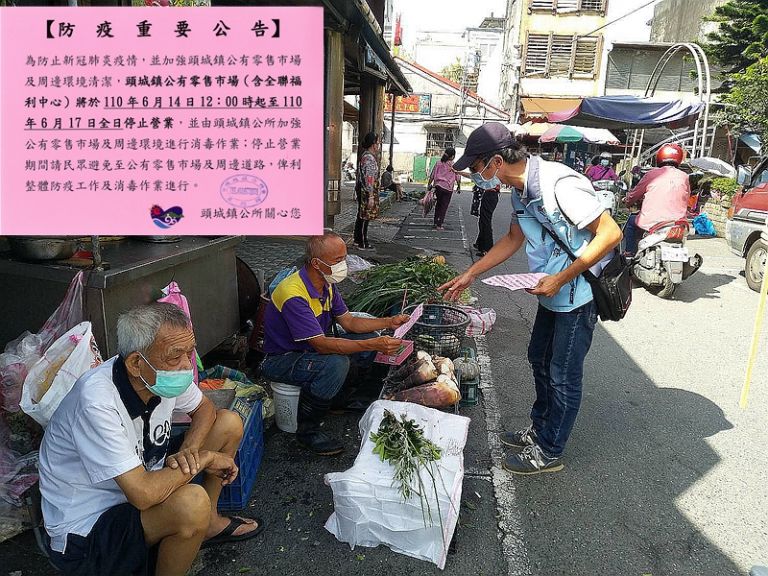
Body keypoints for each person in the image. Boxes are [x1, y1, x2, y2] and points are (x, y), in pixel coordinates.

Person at [438, 122, 622, 475]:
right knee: (538, 358)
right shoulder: (520, 191)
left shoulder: (559, 184)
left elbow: (610, 233)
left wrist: (562, 278)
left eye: (475, 169)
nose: (476, 177)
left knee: (562, 373)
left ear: (495, 161)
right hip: (551, 290)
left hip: (577, 293)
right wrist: (470, 274)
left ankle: (549, 450)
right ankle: (539, 430)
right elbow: (512, 238)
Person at [38, 303, 263, 576]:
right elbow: (143, 495)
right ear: (135, 362)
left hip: (142, 480)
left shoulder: (157, 373)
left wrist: (190, 451)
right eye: (175, 356)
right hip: (89, 530)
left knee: (228, 422)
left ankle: (210, 523)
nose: (185, 366)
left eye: (189, 353)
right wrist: (203, 459)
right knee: (192, 503)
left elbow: (204, 409)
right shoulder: (97, 401)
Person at [260, 232, 409, 456]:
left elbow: (349, 322)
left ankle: (338, 400)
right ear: (316, 263)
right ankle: (307, 433)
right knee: (336, 364)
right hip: (281, 359)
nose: (343, 265)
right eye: (337, 261)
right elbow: (322, 345)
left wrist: (389, 322)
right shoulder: (293, 294)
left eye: (344, 258)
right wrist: (374, 344)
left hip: (308, 350)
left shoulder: (326, 284)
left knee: (361, 342)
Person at [623, 143, 690, 255]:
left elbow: (634, 195)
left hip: (653, 223)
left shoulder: (651, 174)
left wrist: (627, 201)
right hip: (678, 224)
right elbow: (685, 198)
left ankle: (629, 253)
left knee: (630, 223)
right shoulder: (684, 176)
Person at [354, 132, 380, 250]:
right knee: (365, 216)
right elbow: (369, 178)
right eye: (377, 142)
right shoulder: (369, 158)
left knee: (361, 215)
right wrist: (370, 196)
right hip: (367, 190)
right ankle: (363, 242)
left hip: (363, 189)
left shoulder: (366, 155)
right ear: (373, 144)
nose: (378, 145)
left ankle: (357, 239)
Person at [427, 147, 461, 230]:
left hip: (438, 186)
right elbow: (458, 177)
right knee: (444, 206)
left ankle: (435, 222)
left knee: (438, 205)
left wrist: (429, 184)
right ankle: (439, 225)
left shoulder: (438, 163)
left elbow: (432, 174)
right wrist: (459, 186)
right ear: (452, 156)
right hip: (448, 188)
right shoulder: (454, 165)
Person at [474, 182, 501, 257]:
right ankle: (480, 244)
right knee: (482, 221)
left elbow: (479, 178)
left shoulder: (493, 171)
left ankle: (487, 248)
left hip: (490, 194)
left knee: (485, 222)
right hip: (490, 194)